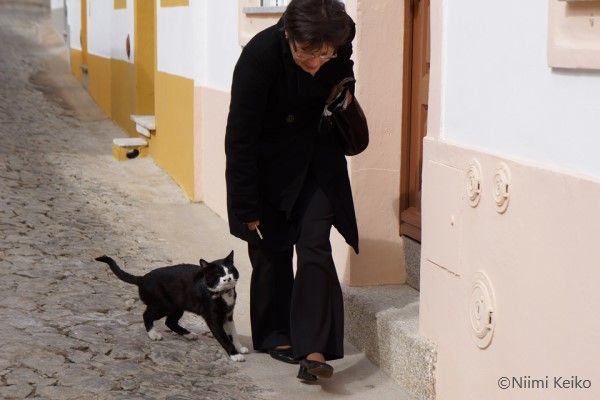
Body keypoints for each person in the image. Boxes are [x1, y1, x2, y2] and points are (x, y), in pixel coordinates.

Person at [225, 0, 364, 382]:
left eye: (325, 54)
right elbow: (240, 139)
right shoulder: (259, 58)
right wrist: (245, 206)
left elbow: (344, 63)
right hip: (268, 165)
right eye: (308, 54)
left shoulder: (340, 34)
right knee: (271, 250)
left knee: (315, 244)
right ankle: (276, 333)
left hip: (318, 158)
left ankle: (314, 350)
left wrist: (344, 86)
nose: (317, 62)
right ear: (288, 35)